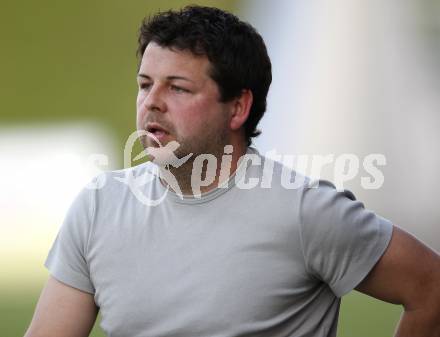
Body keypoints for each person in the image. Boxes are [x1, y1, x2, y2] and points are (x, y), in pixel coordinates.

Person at [25, 5, 440, 337]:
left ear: (238, 107)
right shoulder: (99, 206)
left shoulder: (303, 211)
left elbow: (431, 289)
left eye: (178, 88)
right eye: (145, 84)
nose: (152, 102)